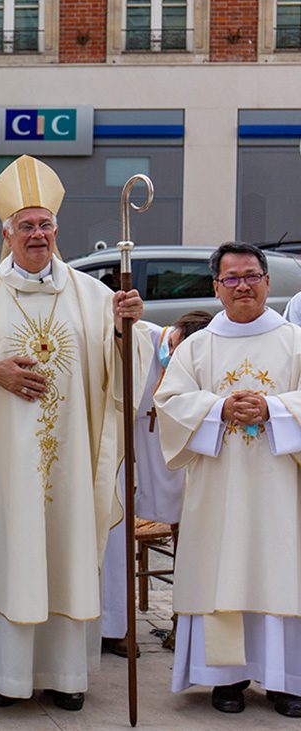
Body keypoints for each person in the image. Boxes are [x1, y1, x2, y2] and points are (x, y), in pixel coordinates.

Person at [0, 155, 150, 712]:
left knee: (64, 551)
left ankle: (66, 675)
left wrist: (123, 331)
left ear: (56, 231)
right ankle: (2, 673)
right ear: (6, 232)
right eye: (26, 225)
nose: (36, 234)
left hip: (70, 457)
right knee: (9, 552)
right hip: (2, 463)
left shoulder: (94, 295)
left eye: (44, 225)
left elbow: (123, 373)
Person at [156, 241, 301, 718]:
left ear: (268, 282)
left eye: (251, 276)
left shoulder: (294, 341)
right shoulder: (199, 346)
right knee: (223, 570)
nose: (243, 286)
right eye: (232, 278)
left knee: (281, 571)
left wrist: (274, 407)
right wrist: (218, 408)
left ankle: (286, 680)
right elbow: (170, 403)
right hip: (218, 488)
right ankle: (227, 678)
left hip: (281, 489)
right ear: (216, 288)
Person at [101, 310, 212, 658]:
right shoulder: (140, 338)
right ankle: (114, 624)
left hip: (176, 462)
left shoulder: (202, 360)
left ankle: (186, 627)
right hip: (124, 459)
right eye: (173, 348)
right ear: (172, 334)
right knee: (114, 540)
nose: (173, 360)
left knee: (196, 539)